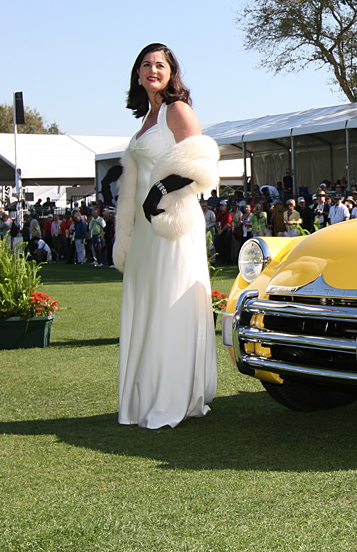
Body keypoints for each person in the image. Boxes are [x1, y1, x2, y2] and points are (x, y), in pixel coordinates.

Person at [113, 43, 218, 429]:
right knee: (148, 305)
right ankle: (145, 395)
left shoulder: (177, 110)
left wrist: (158, 193)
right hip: (143, 231)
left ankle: (172, 397)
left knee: (171, 304)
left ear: (172, 72)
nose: (153, 70)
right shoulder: (146, 119)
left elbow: (201, 162)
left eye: (160, 64)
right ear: (137, 74)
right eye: (146, 64)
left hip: (172, 225)